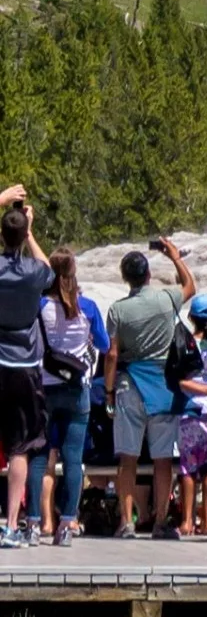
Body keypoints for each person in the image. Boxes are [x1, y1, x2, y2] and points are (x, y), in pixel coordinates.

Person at [104, 237, 197, 539]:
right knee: (161, 460)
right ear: (148, 275)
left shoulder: (118, 310)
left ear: (125, 277)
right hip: (162, 385)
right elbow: (190, 286)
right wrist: (174, 256)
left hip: (130, 384)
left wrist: (107, 391)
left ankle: (127, 522)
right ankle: (160, 521)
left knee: (127, 458)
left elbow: (113, 354)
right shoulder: (166, 299)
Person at [26, 247, 108, 546]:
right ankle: (66, 524)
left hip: (45, 387)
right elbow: (104, 342)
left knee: (38, 458)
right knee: (74, 460)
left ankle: (33, 523)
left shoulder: (39, 306)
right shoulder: (87, 306)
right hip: (78, 389)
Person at [0, 190, 51, 547]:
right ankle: (12, 524)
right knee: (20, 447)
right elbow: (49, 268)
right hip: (24, 366)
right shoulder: (34, 273)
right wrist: (30, 232)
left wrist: (2, 199)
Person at [175, 295, 207, 537]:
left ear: (191, 318)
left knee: (187, 467)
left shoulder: (186, 345)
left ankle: (186, 521)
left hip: (190, 408)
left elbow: (181, 380)